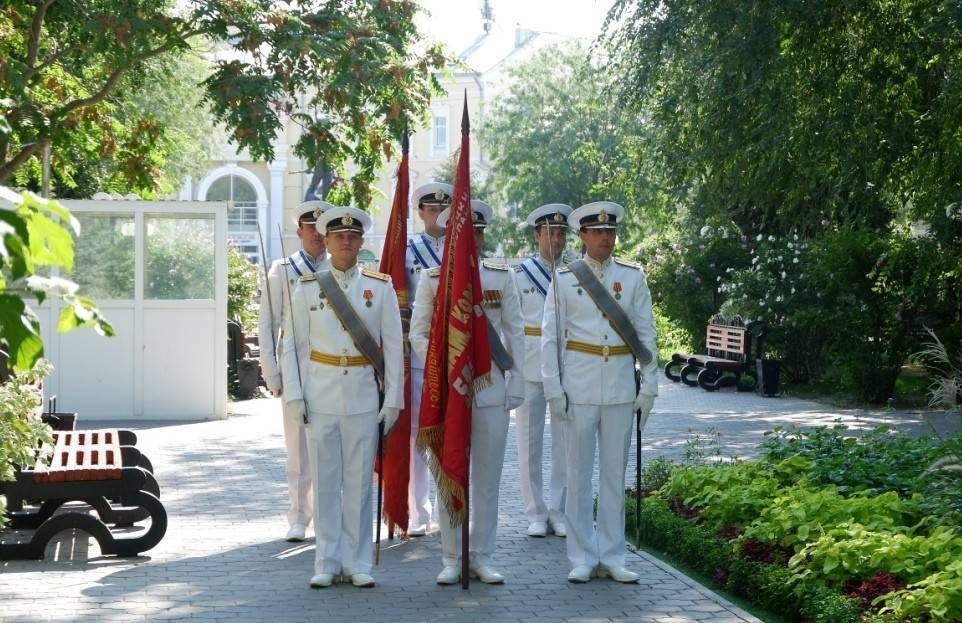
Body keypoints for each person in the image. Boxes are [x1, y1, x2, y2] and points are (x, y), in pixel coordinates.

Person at [279, 206, 404, 589]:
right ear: (327, 242)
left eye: (352, 237)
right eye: (338, 237)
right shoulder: (307, 287)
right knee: (326, 480)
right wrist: (295, 395)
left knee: (359, 483)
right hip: (321, 393)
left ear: (361, 242)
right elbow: (293, 348)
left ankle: (358, 561)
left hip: (364, 395)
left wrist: (394, 400)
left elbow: (396, 348)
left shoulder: (379, 287)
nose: (346, 242)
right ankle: (326, 561)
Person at [541, 201, 658, 584]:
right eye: (597, 232)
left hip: (622, 388)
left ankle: (612, 555)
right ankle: (581, 556)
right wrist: (553, 389)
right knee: (577, 476)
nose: (605, 237)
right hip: (579, 386)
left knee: (613, 476)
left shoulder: (633, 277)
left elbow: (646, 335)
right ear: (583, 237)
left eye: (610, 232)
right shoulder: (563, 279)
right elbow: (550, 339)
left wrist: (650, 387)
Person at [409, 199, 525, 585]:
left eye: (477, 233)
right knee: (451, 471)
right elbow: (418, 332)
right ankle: (451, 556)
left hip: (490, 389)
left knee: (488, 478)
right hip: (449, 393)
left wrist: (518, 381)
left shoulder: (498, 277)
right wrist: (443, 363)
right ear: (450, 236)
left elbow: (515, 331)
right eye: (464, 233)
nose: (472, 239)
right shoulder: (432, 279)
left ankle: (482, 555)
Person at [258, 200, 333, 542]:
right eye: (310, 228)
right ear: (300, 231)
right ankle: (299, 516)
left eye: (322, 228)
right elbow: (268, 324)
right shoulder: (283, 269)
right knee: (298, 450)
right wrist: (272, 373)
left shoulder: (341, 268)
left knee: (331, 448)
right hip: (297, 365)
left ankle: (327, 516)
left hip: (334, 367)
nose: (317, 235)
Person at [514, 203, 579, 539]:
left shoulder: (575, 273)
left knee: (566, 442)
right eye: (550, 233)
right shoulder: (520, 275)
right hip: (529, 364)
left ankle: (559, 511)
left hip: (567, 365)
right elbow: (510, 325)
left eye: (561, 233)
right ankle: (535, 512)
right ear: (537, 235)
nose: (556, 239)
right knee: (530, 443)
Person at [404, 182, 452, 536]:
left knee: (452, 435)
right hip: (421, 356)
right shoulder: (407, 252)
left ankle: (449, 509)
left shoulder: (461, 249)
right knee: (419, 437)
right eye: (431, 209)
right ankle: (417, 511)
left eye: (443, 209)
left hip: (457, 353)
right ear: (420, 212)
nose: (438, 215)